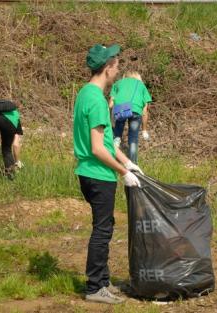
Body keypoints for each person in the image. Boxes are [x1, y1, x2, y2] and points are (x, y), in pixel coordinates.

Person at [73, 43, 142, 304]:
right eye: (116, 65)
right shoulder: (98, 101)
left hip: (87, 171)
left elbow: (107, 145)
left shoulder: (84, 94)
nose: (118, 70)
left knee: (105, 226)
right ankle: (94, 287)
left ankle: (102, 280)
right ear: (107, 68)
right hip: (98, 174)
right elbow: (98, 148)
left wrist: (128, 161)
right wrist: (123, 171)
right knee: (102, 230)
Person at [109, 71, 152, 164]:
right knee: (133, 138)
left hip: (121, 109)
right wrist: (144, 130)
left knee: (116, 136)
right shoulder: (141, 85)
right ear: (138, 77)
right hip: (136, 109)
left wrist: (112, 120)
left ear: (125, 76)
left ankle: (112, 159)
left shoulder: (118, 83)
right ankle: (133, 164)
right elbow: (145, 110)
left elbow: (111, 104)